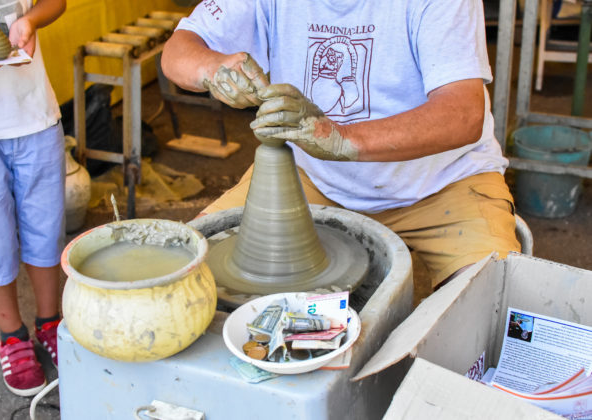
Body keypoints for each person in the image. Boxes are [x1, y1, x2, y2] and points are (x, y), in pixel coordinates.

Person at [161, 0, 520, 289]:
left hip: (442, 184)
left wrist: (342, 139)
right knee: (183, 268)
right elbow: (178, 52)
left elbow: (462, 115)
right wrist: (215, 68)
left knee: (491, 311)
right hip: (314, 178)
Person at [0, 0, 66, 396]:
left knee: (46, 227)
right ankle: (12, 336)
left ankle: (49, 322)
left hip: (33, 112)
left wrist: (31, 20)